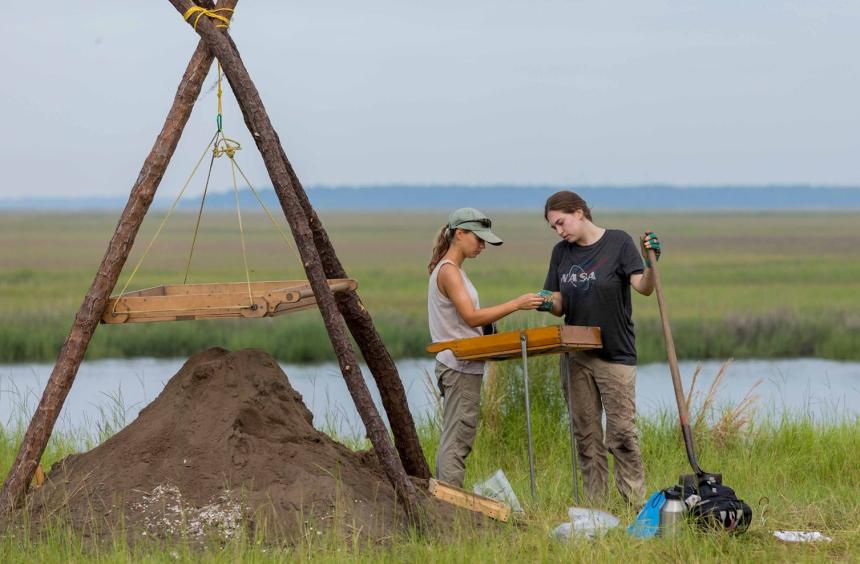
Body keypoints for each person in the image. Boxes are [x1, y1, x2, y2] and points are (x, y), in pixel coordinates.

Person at [541, 190, 662, 505]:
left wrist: (651, 264)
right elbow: (559, 302)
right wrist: (543, 301)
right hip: (576, 356)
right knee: (586, 437)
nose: (559, 231)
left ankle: (634, 504)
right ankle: (596, 508)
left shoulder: (619, 243)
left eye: (561, 222)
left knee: (621, 435)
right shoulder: (561, 252)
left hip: (615, 354)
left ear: (579, 212)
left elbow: (644, 288)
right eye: (554, 227)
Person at [428, 207, 544, 488]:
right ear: (459, 234)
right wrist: (516, 304)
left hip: (462, 364)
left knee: (455, 435)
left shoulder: (452, 271)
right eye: (478, 239)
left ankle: (446, 497)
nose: (482, 246)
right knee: (458, 438)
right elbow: (470, 317)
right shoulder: (450, 272)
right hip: (459, 365)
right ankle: (450, 504)